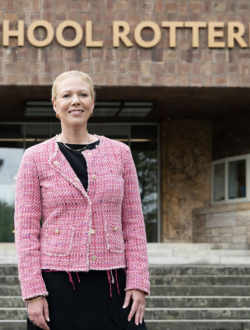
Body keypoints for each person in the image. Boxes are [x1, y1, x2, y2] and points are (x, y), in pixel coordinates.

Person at [14, 70, 150, 330]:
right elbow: (26, 231)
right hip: (57, 286)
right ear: (55, 105)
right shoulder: (35, 157)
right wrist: (33, 291)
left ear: (92, 103)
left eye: (82, 94)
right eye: (67, 95)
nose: (75, 100)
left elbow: (133, 223)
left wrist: (138, 281)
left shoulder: (121, 154)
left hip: (114, 284)